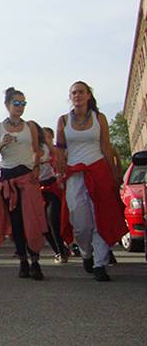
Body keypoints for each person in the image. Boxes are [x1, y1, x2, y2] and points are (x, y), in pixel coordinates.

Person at [55, 81, 128, 281]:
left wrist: (114, 174)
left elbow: (106, 147)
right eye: (73, 93)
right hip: (74, 173)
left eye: (81, 92)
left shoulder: (99, 118)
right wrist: (60, 171)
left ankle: (100, 264)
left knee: (100, 217)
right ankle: (87, 252)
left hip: (98, 170)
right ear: (70, 97)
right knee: (80, 220)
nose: (77, 95)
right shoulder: (63, 120)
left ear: (88, 95)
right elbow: (59, 149)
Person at [0, 87, 48, 280]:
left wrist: (36, 170)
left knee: (32, 219)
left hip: (26, 176)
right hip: (8, 178)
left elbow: (36, 150)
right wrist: (1, 145)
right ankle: (23, 260)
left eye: (23, 104)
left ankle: (35, 261)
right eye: (16, 103)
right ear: (7, 105)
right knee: (16, 222)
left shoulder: (29, 126)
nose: (20, 107)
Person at [33, 122, 69, 264]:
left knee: (53, 219)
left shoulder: (51, 149)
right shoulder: (31, 149)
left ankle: (62, 250)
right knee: (43, 225)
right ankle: (59, 250)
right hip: (37, 189)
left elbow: (60, 161)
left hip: (52, 186)